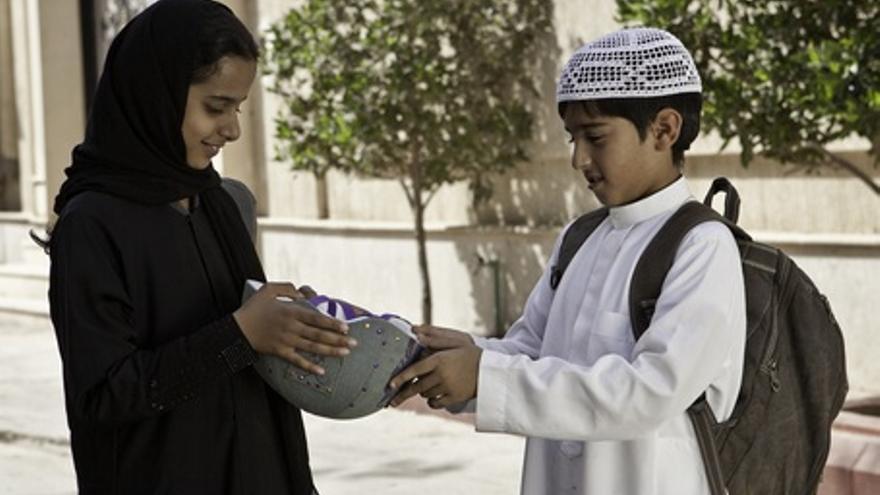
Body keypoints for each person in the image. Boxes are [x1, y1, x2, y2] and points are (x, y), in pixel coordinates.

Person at [390, 27, 747, 494]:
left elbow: (650, 391)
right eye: (572, 137)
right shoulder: (580, 237)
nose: (579, 158)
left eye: (595, 137)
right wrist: (466, 355)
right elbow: (534, 351)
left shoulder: (702, 245)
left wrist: (487, 375)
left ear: (664, 129)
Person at [47, 1, 356, 493]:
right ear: (157, 94)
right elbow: (101, 396)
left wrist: (285, 325)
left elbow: (244, 350)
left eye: (238, 108)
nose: (232, 129)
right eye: (216, 107)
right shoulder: (92, 224)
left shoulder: (218, 203)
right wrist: (241, 333)